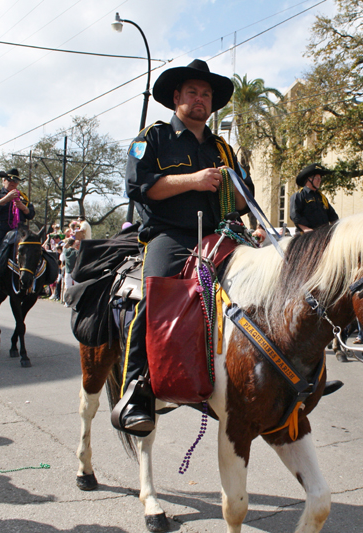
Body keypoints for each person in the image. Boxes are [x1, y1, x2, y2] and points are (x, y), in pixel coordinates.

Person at [117, 58, 266, 434]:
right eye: (193, 92)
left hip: (220, 235)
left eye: (206, 94)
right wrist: (194, 180)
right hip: (171, 235)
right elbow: (141, 188)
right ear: (176, 97)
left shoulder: (223, 148)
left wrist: (239, 197)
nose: (200, 99)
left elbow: (245, 199)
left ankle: (275, 376)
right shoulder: (151, 138)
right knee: (155, 296)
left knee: (264, 287)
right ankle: (136, 391)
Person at [289, 163, 339, 233]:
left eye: (320, 178)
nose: (319, 180)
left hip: (322, 234)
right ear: (309, 179)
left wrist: (337, 228)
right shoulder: (299, 195)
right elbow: (294, 215)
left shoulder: (322, 197)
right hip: (306, 236)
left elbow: (332, 215)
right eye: (317, 178)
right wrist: (306, 229)